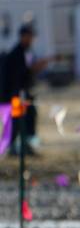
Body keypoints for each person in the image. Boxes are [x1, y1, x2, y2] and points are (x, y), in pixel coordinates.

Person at [1, 24, 48, 156]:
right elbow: (18, 76)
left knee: (27, 121)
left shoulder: (26, 52)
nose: (32, 39)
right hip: (14, 97)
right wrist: (35, 68)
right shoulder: (16, 54)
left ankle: (23, 146)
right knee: (15, 124)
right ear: (23, 37)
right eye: (30, 36)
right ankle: (12, 148)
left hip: (21, 96)